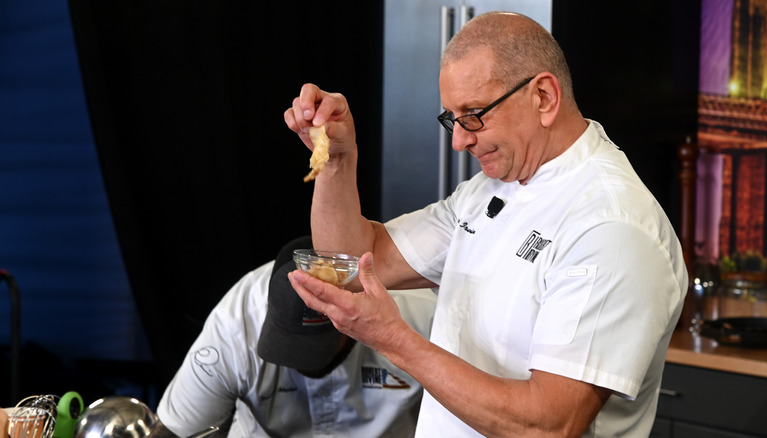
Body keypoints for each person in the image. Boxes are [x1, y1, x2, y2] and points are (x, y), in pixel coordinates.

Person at [283, 11, 688, 438]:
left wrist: (394, 340)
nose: (458, 141)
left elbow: (549, 425)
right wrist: (334, 158)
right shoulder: (488, 191)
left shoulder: (612, 226)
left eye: (475, 114)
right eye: (452, 118)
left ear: (544, 97)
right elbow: (354, 261)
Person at [150, 236, 437, 437]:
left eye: (315, 349)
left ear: (352, 318)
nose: (304, 365)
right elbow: (174, 432)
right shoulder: (235, 327)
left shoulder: (422, 316)